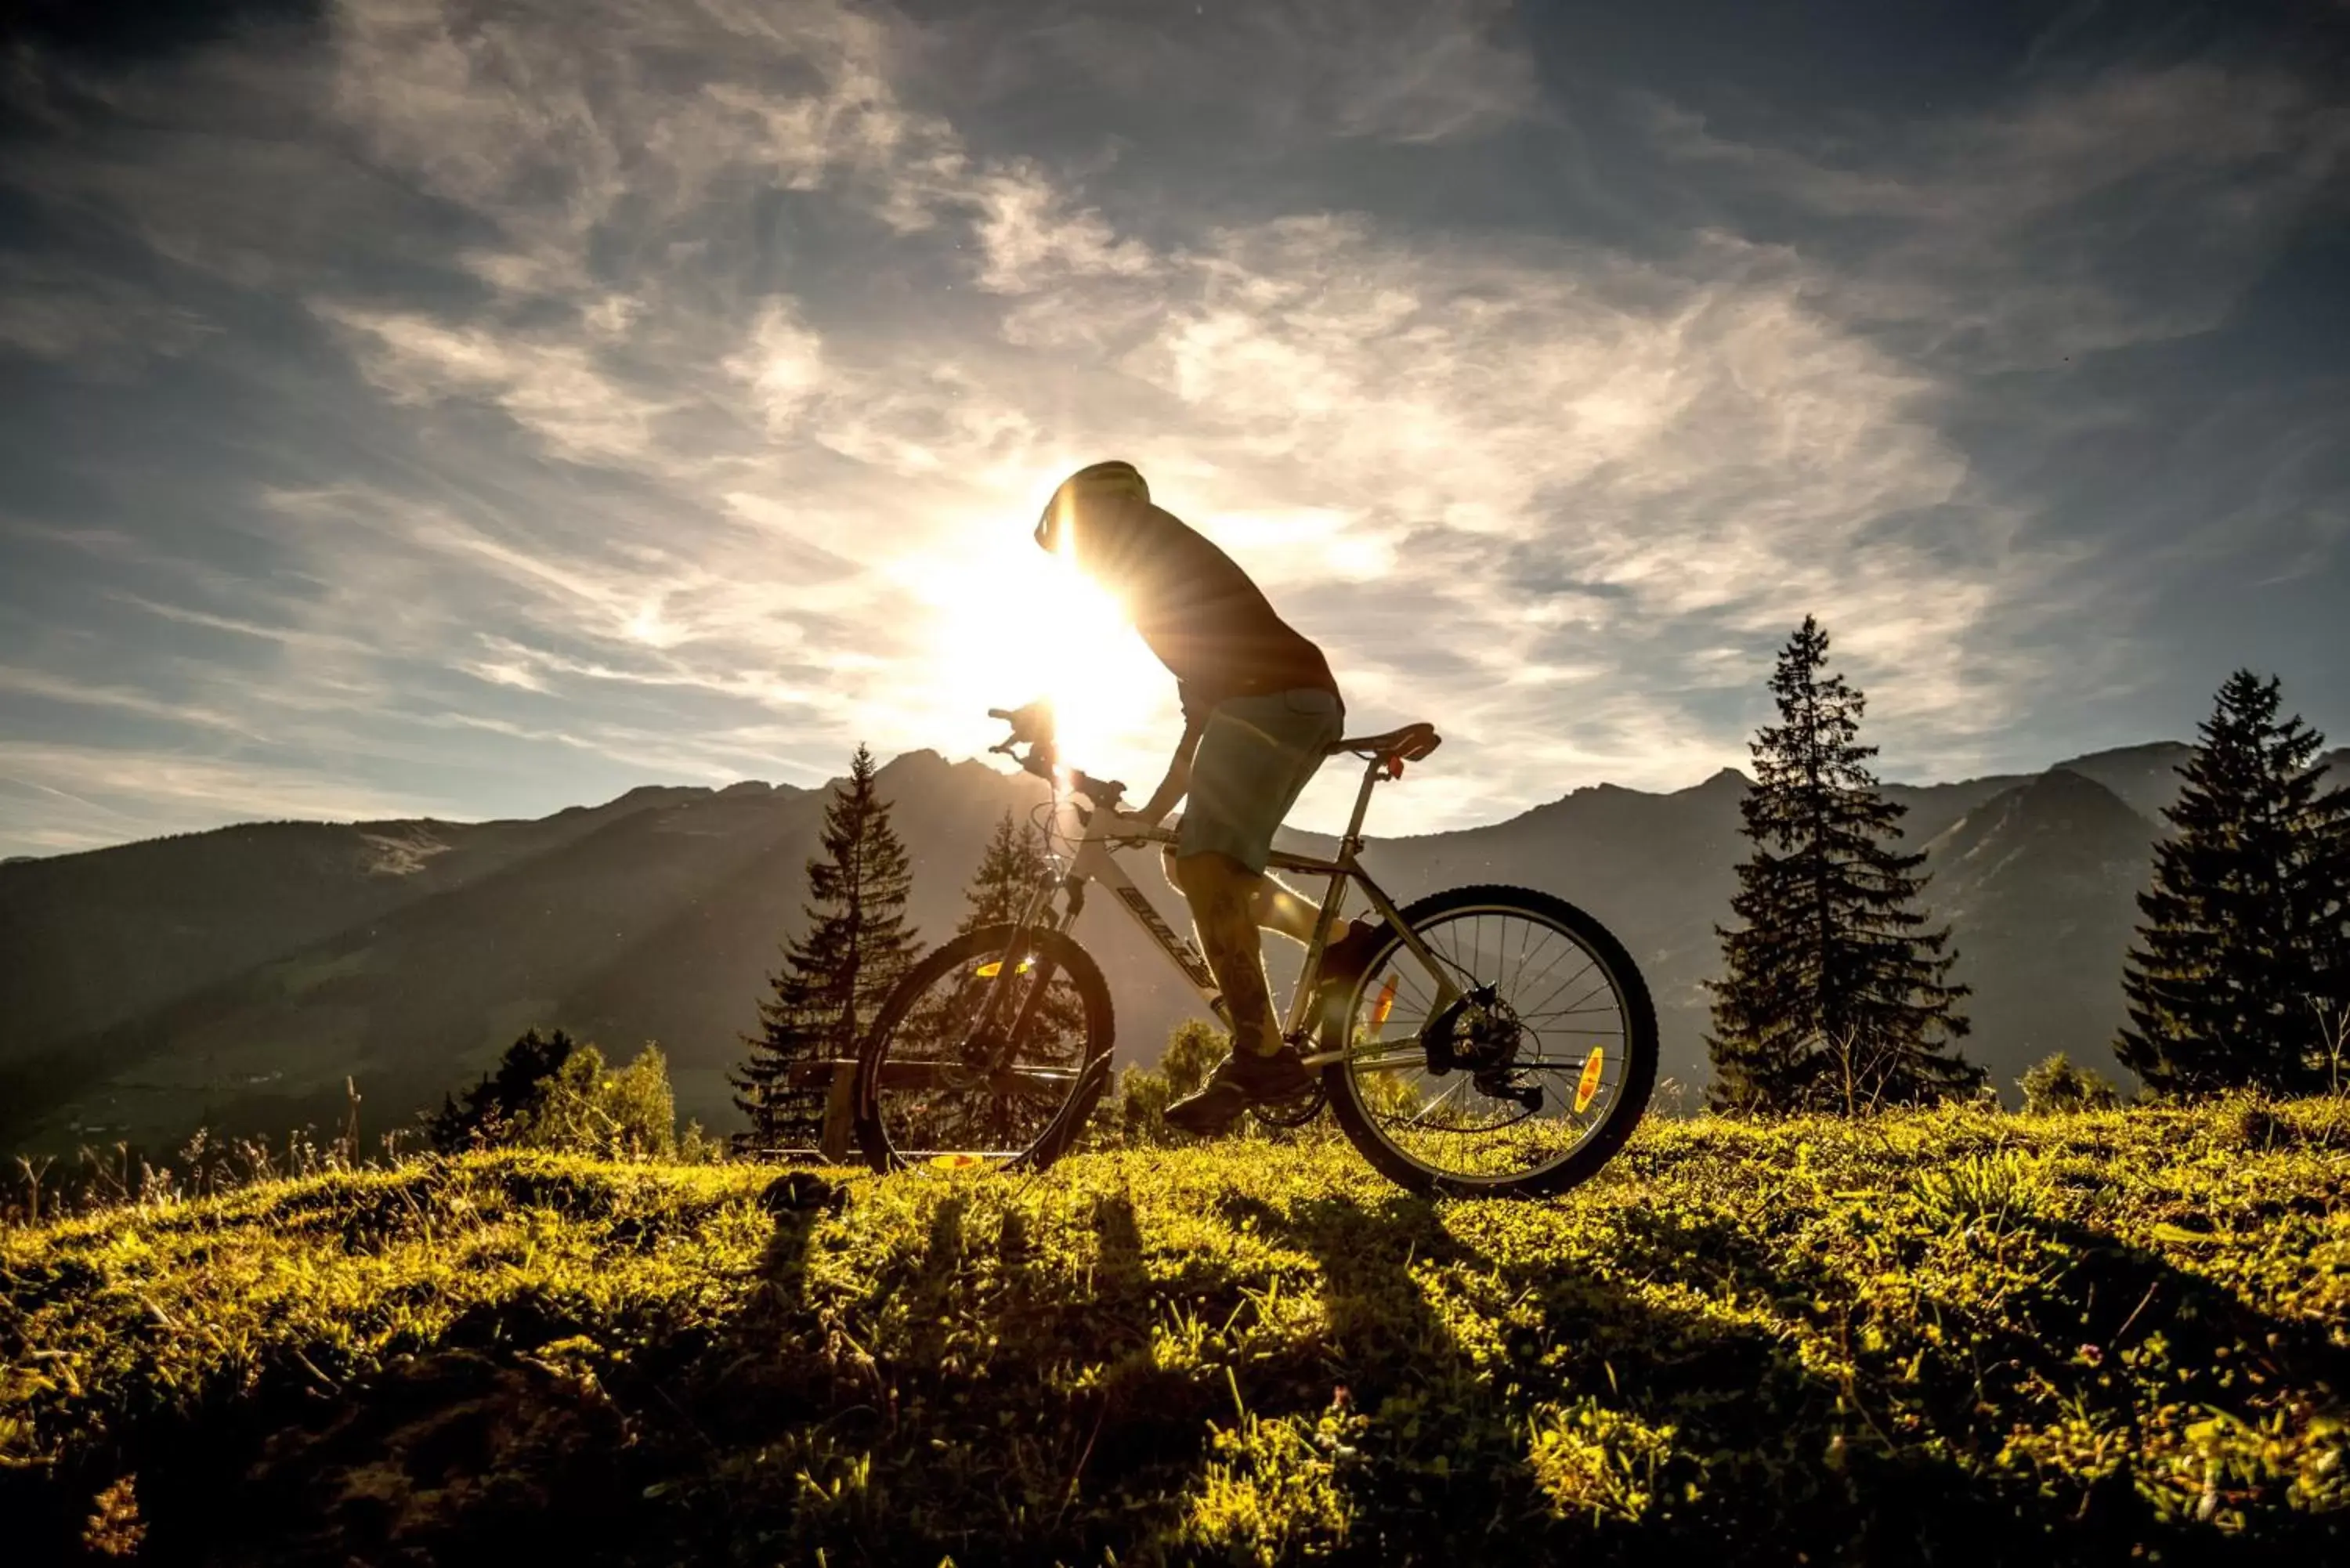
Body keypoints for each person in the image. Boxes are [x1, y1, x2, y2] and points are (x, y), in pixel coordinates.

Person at [1035, 460, 1355, 1135]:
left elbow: (1095, 643)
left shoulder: (1142, 544)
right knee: (1187, 858)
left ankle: (1261, 1053)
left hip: (1278, 703)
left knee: (1209, 865)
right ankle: (1342, 943)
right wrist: (1152, 816)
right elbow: (1201, 724)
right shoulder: (1178, 594)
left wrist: (1046, 707)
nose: (1076, 564)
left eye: (1072, 544)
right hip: (1283, 702)